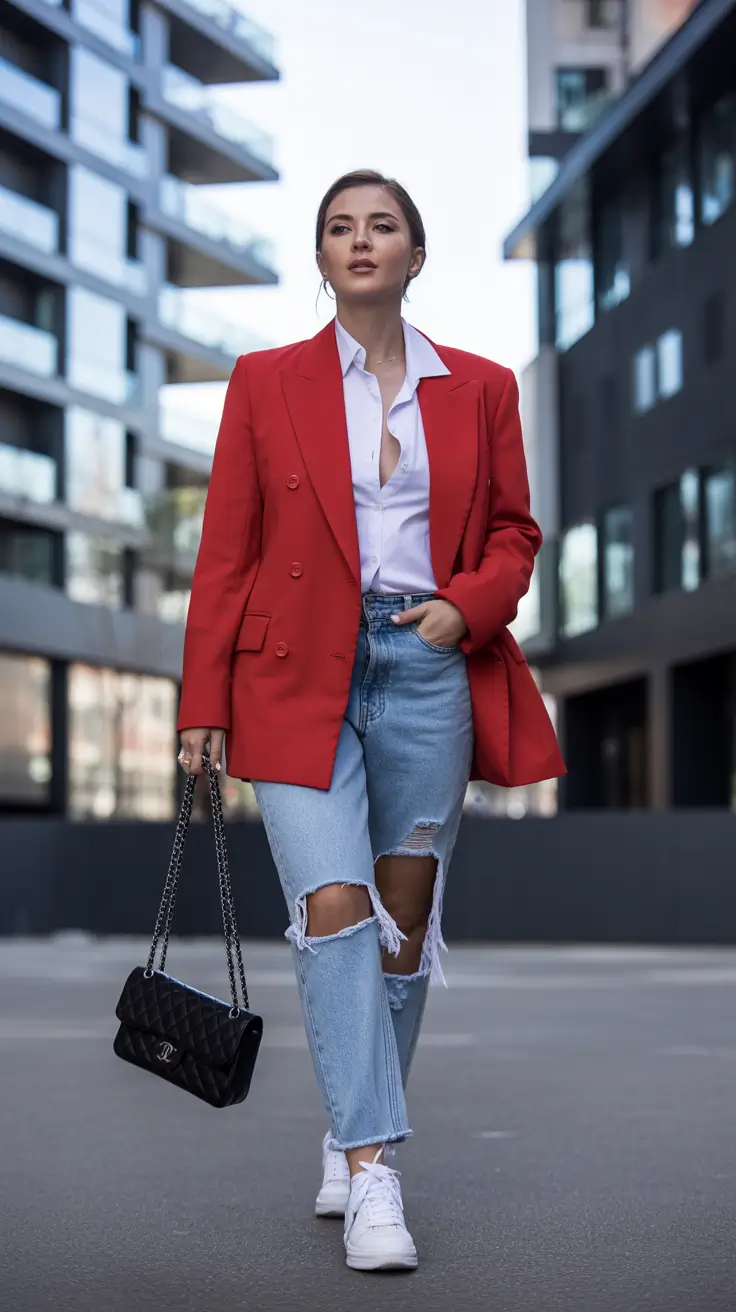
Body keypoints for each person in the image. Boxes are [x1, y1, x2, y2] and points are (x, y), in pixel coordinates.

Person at [176, 168, 565, 1272]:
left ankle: (350, 1122)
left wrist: (465, 608)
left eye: (381, 225)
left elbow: (515, 532)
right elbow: (227, 551)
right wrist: (202, 700)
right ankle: (372, 1168)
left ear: (414, 255)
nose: (359, 240)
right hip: (292, 669)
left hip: (426, 663)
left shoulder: (480, 386)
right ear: (321, 257)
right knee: (334, 905)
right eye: (339, 227)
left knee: (398, 925)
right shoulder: (265, 380)